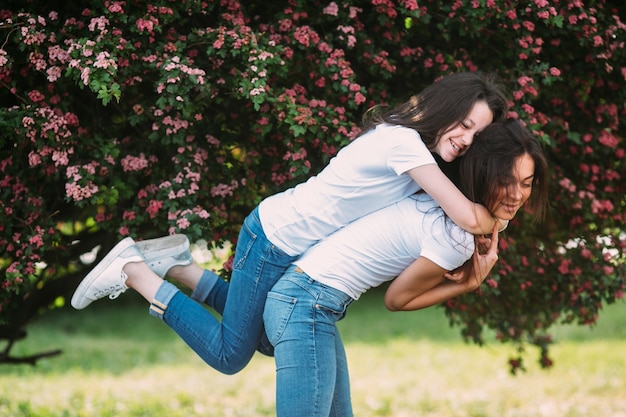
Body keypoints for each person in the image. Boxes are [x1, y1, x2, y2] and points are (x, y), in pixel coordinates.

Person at [71, 72, 509, 375]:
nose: (466, 140)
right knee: (229, 355)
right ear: (444, 107)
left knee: (264, 338)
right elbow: (468, 216)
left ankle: (178, 267)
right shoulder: (404, 144)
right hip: (274, 238)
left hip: (289, 243)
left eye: (476, 136)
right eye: (464, 125)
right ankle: (135, 272)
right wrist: (504, 215)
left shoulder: (419, 159)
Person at [262, 118, 549, 416]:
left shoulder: (447, 198)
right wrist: (467, 283)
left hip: (307, 299)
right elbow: (396, 300)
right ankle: (204, 284)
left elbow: (497, 219)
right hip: (306, 303)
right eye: (506, 182)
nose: (517, 195)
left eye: (526, 183)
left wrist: (496, 224)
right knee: (230, 353)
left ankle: (205, 285)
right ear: (483, 174)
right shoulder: (456, 236)